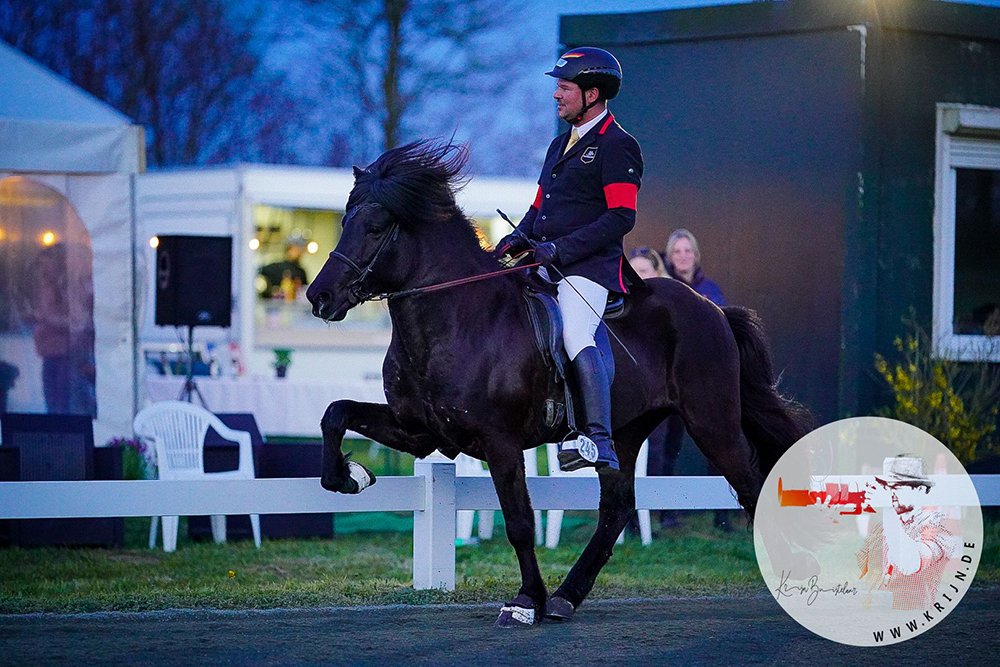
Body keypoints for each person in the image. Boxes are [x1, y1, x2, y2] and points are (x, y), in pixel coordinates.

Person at [495, 47, 643, 472]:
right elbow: (539, 207)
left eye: (564, 88)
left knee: (576, 333)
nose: (556, 95)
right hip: (545, 261)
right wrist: (516, 240)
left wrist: (561, 249)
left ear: (592, 94)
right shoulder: (560, 144)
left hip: (589, 269)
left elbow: (621, 217)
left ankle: (598, 438)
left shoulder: (618, 146)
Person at [653, 228, 730, 529]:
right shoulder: (663, 290)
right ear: (669, 257)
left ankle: (722, 513)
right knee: (666, 449)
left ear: (696, 255)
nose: (683, 256)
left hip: (704, 384)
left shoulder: (712, 291)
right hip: (668, 384)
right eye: (677, 251)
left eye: (688, 251)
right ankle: (664, 512)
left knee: (716, 445)